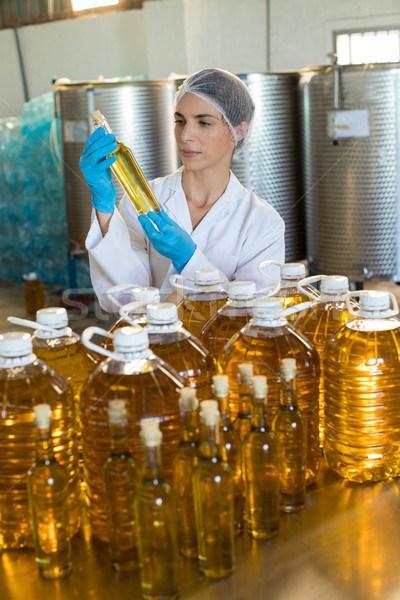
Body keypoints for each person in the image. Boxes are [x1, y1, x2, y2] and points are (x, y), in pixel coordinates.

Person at [80, 68, 285, 311]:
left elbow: (254, 315)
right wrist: (104, 208)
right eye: (180, 121)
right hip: (150, 346)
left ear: (238, 131)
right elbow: (120, 298)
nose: (186, 135)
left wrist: (190, 260)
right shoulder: (144, 199)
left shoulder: (262, 221)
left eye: (204, 122)